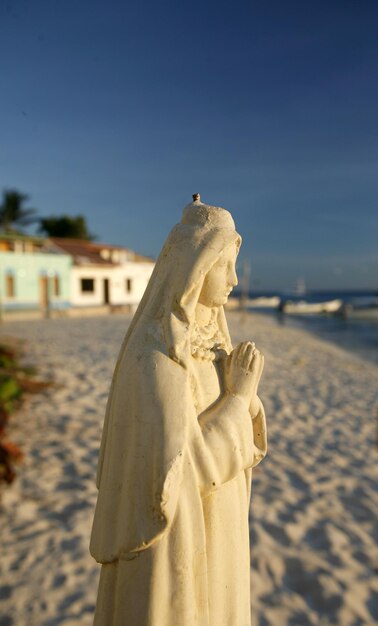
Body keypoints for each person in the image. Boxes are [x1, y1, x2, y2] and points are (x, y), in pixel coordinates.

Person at [90, 197, 267, 626]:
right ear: (196, 266)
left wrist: (242, 394)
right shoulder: (157, 359)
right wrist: (239, 401)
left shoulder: (211, 347)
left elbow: (245, 437)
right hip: (184, 547)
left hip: (220, 528)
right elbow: (182, 469)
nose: (234, 279)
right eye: (225, 266)